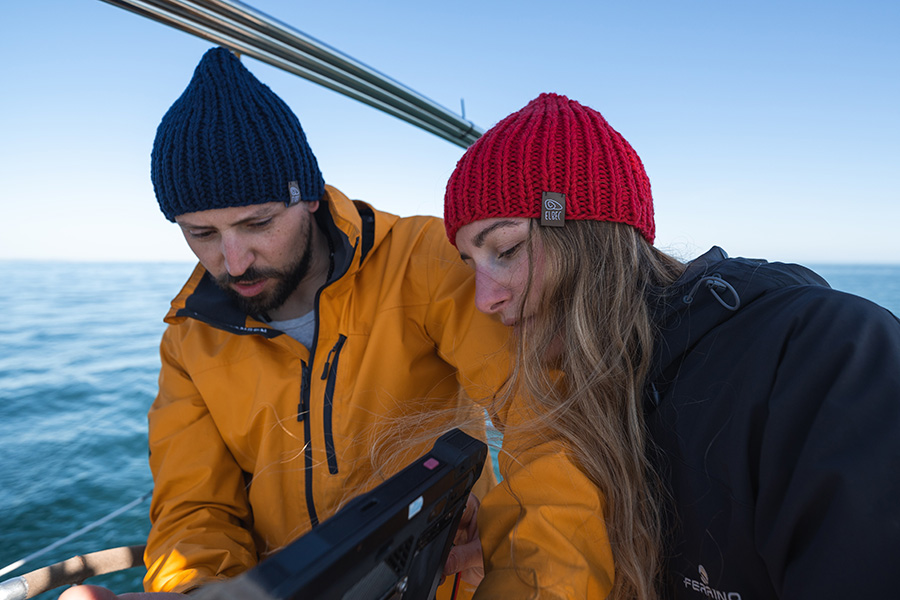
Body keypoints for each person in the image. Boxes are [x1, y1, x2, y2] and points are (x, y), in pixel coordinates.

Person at [59, 47, 507, 599]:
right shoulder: (188, 337)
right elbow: (196, 509)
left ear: (310, 197)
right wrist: (198, 593)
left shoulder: (427, 263)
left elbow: (547, 430)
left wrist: (513, 543)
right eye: (201, 233)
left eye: (258, 222)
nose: (234, 260)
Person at [442, 93, 900, 599]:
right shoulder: (603, 402)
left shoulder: (820, 361)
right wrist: (525, 558)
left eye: (505, 250)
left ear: (585, 234)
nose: (485, 299)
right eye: (470, 264)